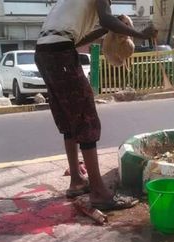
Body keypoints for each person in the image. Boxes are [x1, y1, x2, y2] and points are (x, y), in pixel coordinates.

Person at [35, 0, 158, 211]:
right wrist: (140, 35)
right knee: (86, 118)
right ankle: (99, 193)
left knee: (69, 117)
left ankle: (76, 180)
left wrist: (107, 28)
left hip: (44, 53)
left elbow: (80, 38)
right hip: (61, 53)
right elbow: (106, 18)